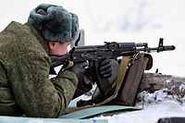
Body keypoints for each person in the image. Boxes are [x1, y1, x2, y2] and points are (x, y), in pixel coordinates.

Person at [0, 3, 119, 117]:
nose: (67, 52)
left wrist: (86, 78)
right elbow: (48, 109)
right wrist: (72, 74)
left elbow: (39, 92)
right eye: (67, 45)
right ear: (53, 43)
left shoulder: (20, 35)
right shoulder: (30, 53)